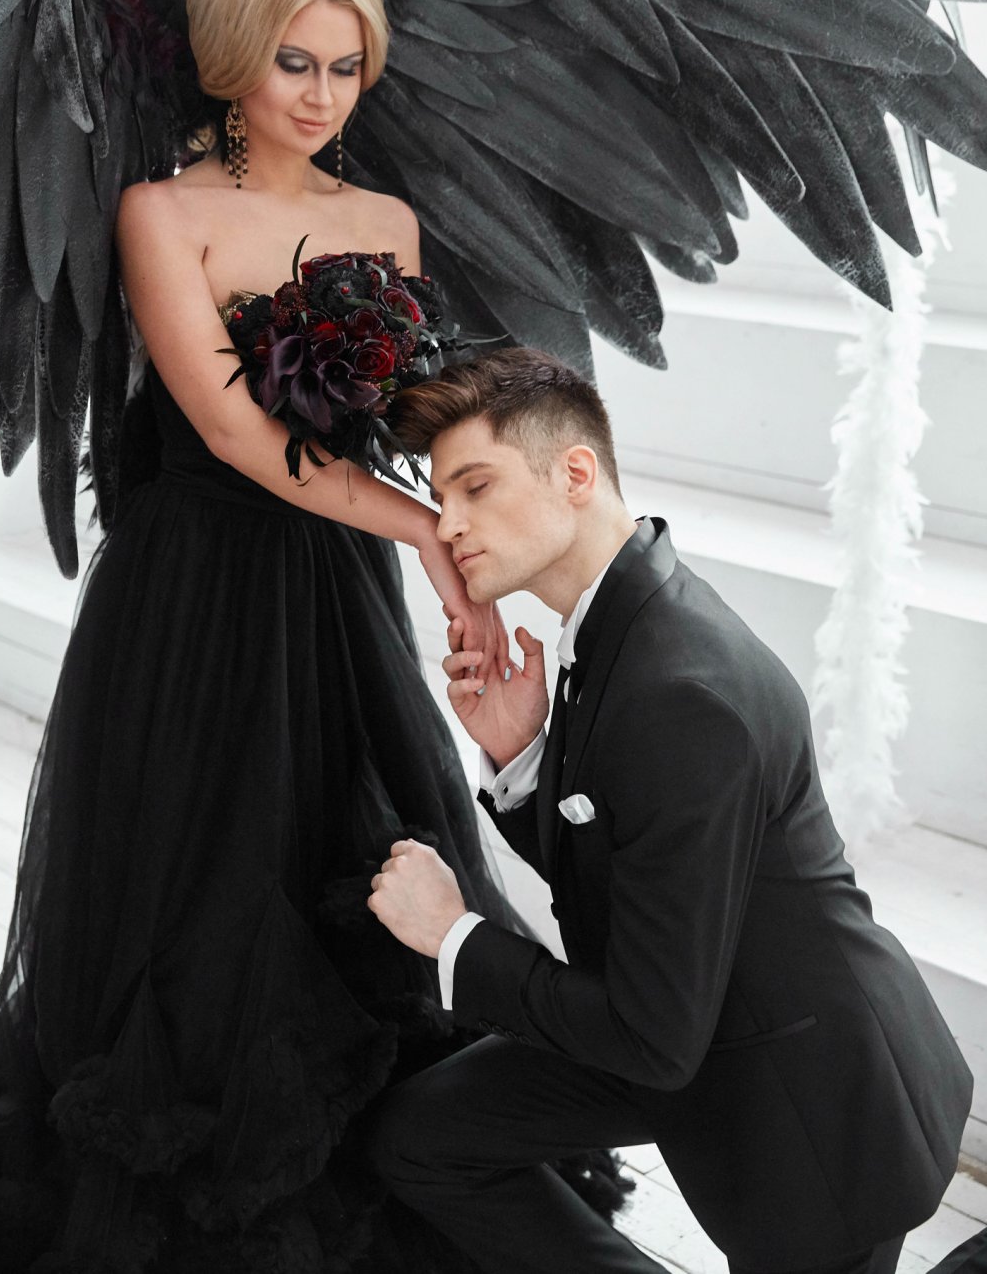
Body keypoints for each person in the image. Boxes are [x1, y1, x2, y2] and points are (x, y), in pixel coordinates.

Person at [0, 0, 534, 1273]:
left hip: (334, 584)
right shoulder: (161, 213)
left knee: (348, 854)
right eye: (295, 62)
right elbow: (238, 435)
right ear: (234, 58)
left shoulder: (384, 222)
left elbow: (407, 418)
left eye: (346, 68)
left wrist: (490, 535)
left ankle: (381, 1165)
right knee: (197, 889)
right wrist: (422, 531)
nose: (321, 96)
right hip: (197, 591)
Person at [366, 346, 975, 1274]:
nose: (446, 525)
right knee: (425, 1136)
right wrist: (525, 757)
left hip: (810, 1111)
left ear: (576, 474)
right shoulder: (618, 621)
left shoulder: (678, 690)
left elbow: (649, 1038)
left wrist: (453, 935)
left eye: (475, 487)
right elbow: (633, 861)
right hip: (679, 1013)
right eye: (439, 496)